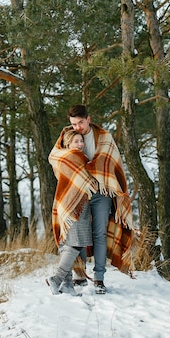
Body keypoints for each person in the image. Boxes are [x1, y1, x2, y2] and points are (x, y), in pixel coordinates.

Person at [61, 104, 134, 294]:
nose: (77, 127)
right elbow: (57, 158)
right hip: (79, 193)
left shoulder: (104, 138)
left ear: (88, 119)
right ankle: (80, 274)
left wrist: (94, 169)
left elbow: (113, 162)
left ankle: (99, 279)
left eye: (80, 123)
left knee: (100, 234)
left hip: (101, 193)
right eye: (74, 124)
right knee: (81, 235)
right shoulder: (68, 136)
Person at [47, 128, 98, 296]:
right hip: (76, 206)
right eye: (76, 141)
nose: (80, 144)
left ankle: (68, 285)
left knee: (67, 244)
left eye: (82, 141)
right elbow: (89, 179)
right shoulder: (75, 157)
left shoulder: (60, 157)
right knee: (76, 243)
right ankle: (56, 279)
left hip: (63, 203)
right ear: (68, 143)